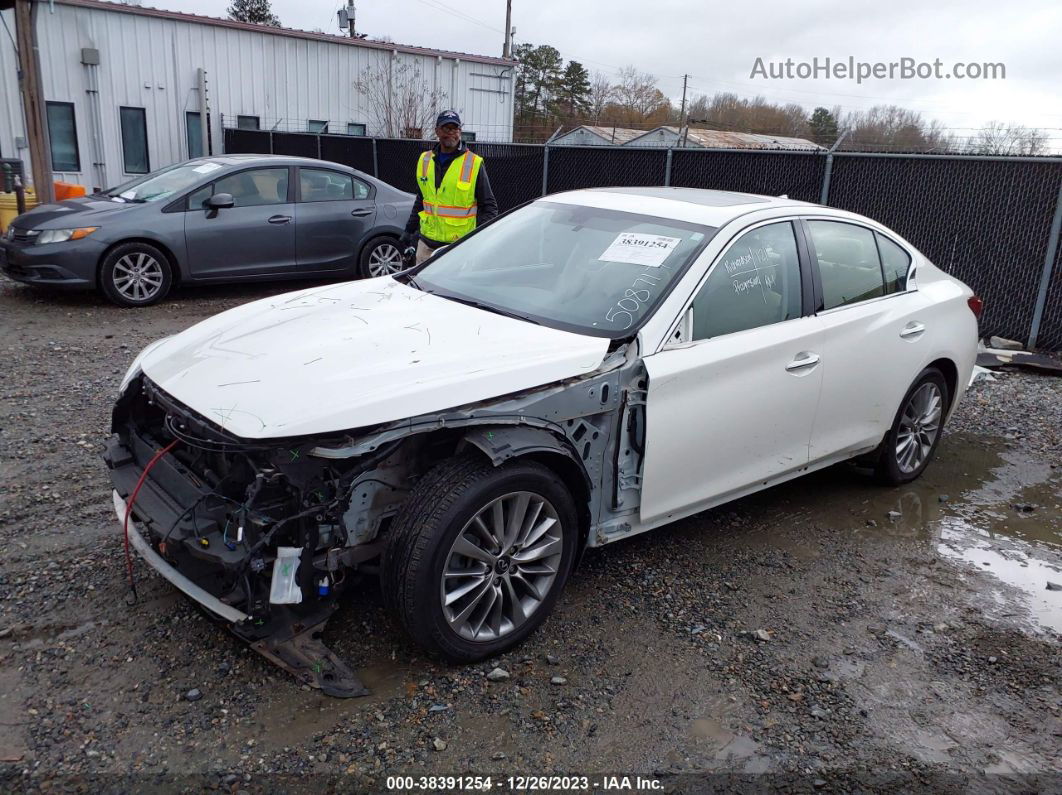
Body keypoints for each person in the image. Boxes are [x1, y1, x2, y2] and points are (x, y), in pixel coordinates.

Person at [400, 110, 498, 265]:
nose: (451, 133)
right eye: (446, 128)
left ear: (460, 132)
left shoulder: (473, 163)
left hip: (458, 247)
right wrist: (409, 230)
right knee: (421, 288)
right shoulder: (425, 160)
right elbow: (421, 200)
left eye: (455, 128)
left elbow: (490, 207)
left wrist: (476, 239)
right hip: (426, 245)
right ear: (437, 131)